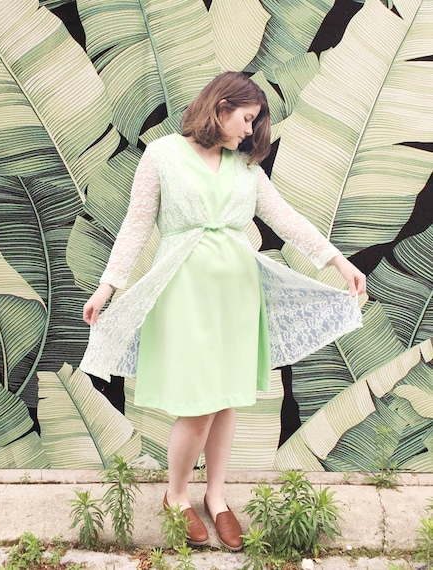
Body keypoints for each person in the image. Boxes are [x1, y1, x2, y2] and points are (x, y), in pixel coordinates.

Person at [81, 72, 365, 551]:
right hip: (183, 292)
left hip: (238, 294)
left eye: (255, 124)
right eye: (247, 119)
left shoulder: (245, 169)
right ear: (221, 106)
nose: (250, 132)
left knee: (226, 397)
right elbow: (135, 225)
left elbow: (287, 219)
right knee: (197, 403)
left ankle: (216, 497)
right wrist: (107, 286)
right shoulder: (162, 155)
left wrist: (337, 260)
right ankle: (176, 497)